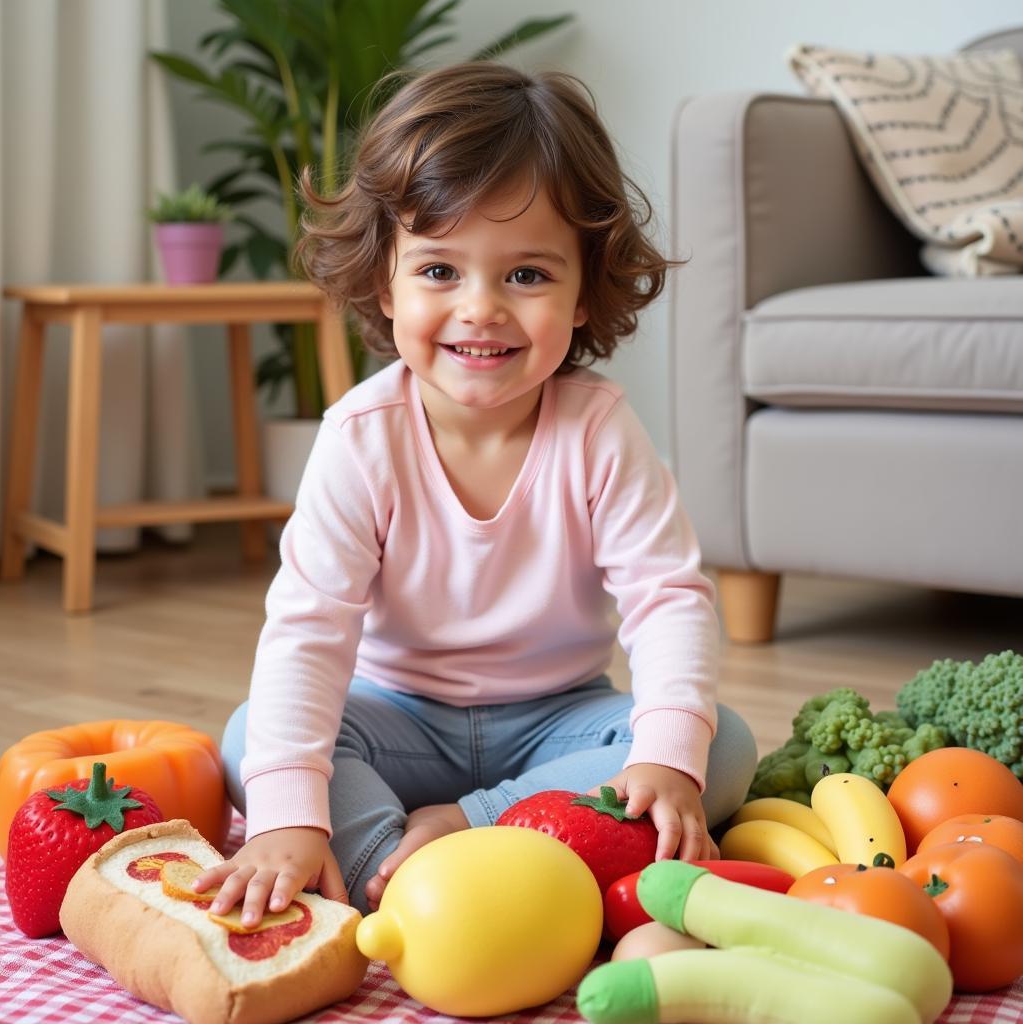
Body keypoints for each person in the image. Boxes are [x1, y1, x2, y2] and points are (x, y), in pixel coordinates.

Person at [199, 62, 758, 924]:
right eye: (439, 272)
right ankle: (397, 866)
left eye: (527, 276)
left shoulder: (600, 429)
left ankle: (468, 832)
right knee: (250, 744)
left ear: (582, 291)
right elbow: (308, 633)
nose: (481, 308)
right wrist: (283, 821)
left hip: (558, 723)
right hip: (393, 723)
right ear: (385, 282)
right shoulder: (360, 437)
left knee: (717, 749)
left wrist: (666, 760)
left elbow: (667, 599)